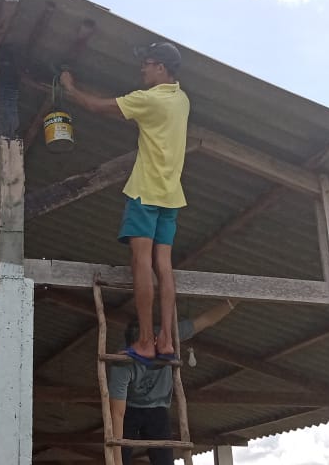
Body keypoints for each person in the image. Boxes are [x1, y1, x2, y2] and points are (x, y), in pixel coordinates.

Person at [59, 41, 190, 365]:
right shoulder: (181, 99)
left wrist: (70, 88)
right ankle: (167, 341)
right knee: (164, 266)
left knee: (140, 264)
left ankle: (145, 341)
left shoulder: (148, 100)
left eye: (146, 64)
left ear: (161, 67)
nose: (142, 69)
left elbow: (96, 106)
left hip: (146, 191)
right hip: (171, 195)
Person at [108, 299, 236, 465]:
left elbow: (204, 321)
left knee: (164, 459)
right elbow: (117, 414)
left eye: (145, 350)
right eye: (137, 352)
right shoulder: (122, 362)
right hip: (130, 407)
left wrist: (233, 302)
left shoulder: (167, 337)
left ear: (155, 340)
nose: (142, 355)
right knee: (120, 454)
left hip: (158, 407)